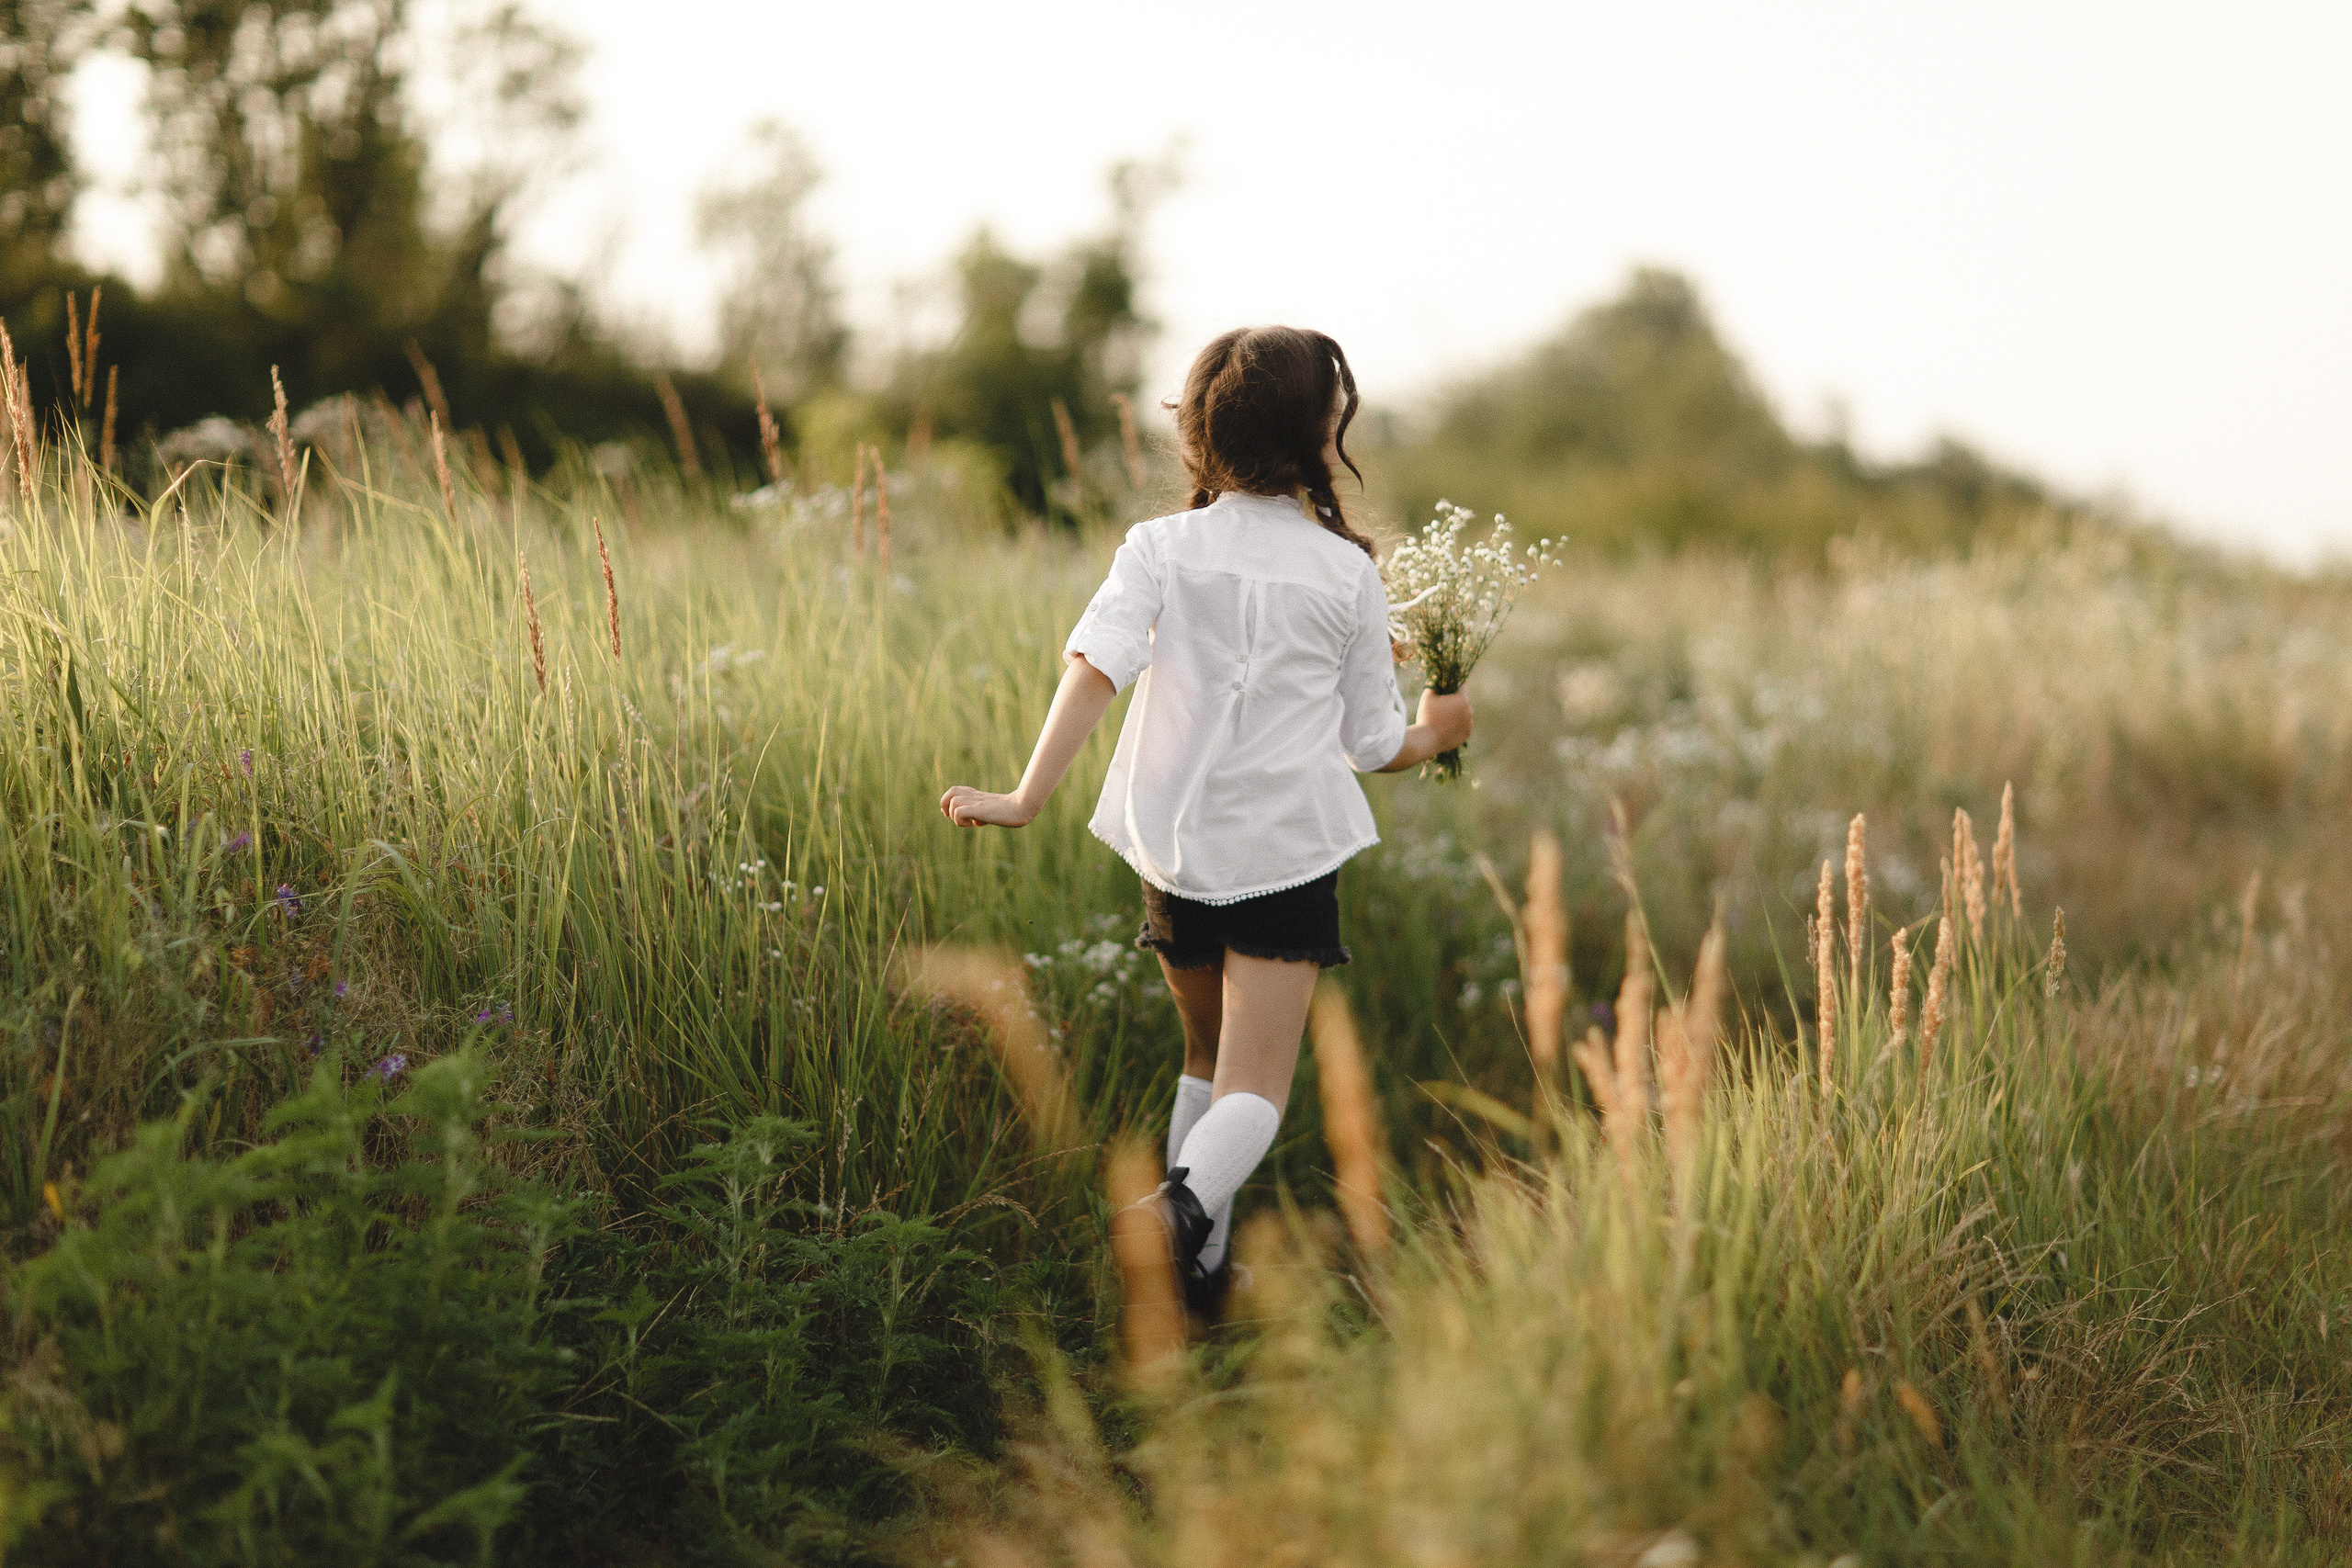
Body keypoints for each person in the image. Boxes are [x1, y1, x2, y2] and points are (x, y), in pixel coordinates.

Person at [937, 325, 1473, 1314]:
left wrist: (1024, 797)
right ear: (1322, 430)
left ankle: (1199, 1282)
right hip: (1282, 854)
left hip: (1172, 849)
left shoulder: (1159, 546)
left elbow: (1093, 668)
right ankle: (1176, 1215)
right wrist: (1437, 732)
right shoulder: (1344, 573)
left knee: (1203, 1057)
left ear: (1207, 430)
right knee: (1256, 1090)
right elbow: (1368, 744)